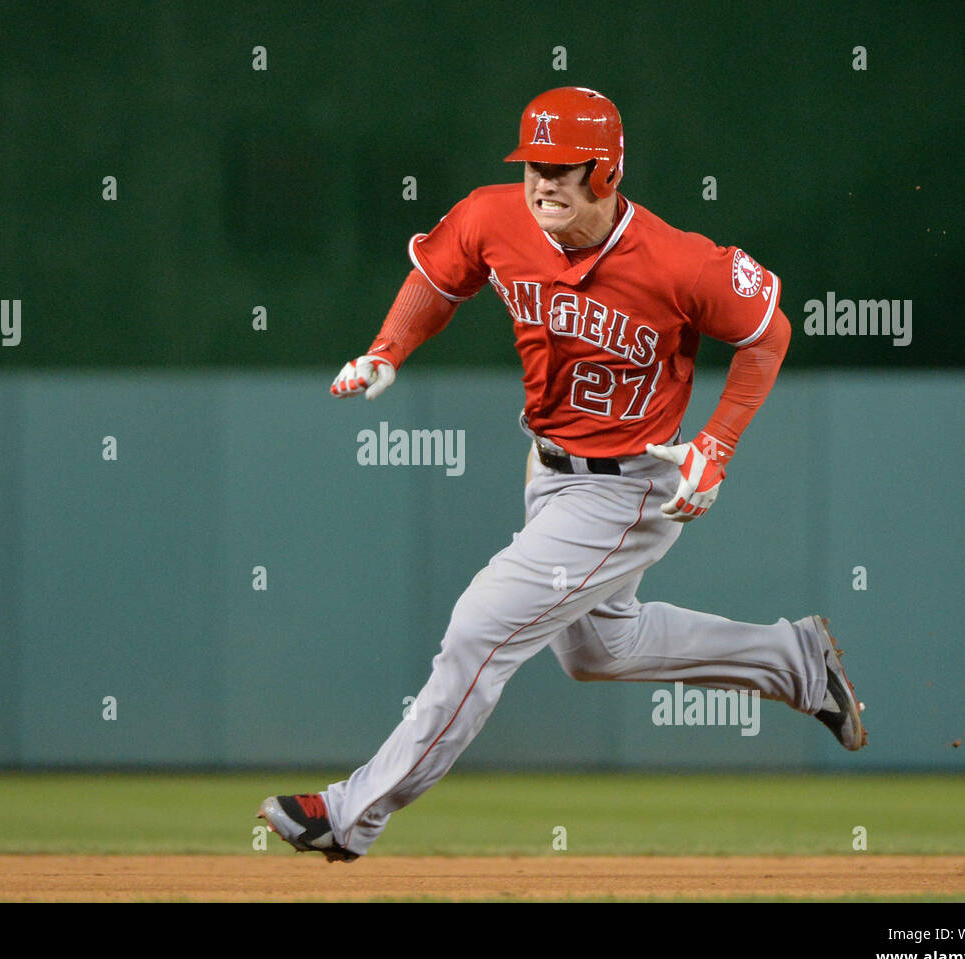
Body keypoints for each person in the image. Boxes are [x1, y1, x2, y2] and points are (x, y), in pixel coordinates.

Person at [258, 86, 866, 863]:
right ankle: (795, 661)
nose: (540, 182)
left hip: (628, 485)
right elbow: (438, 281)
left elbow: (768, 332)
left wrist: (718, 443)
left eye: (559, 168)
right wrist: (388, 348)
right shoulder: (493, 217)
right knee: (597, 652)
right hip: (547, 469)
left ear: (605, 173)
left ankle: (351, 814)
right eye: (531, 165)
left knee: (480, 629)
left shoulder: (680, 261)